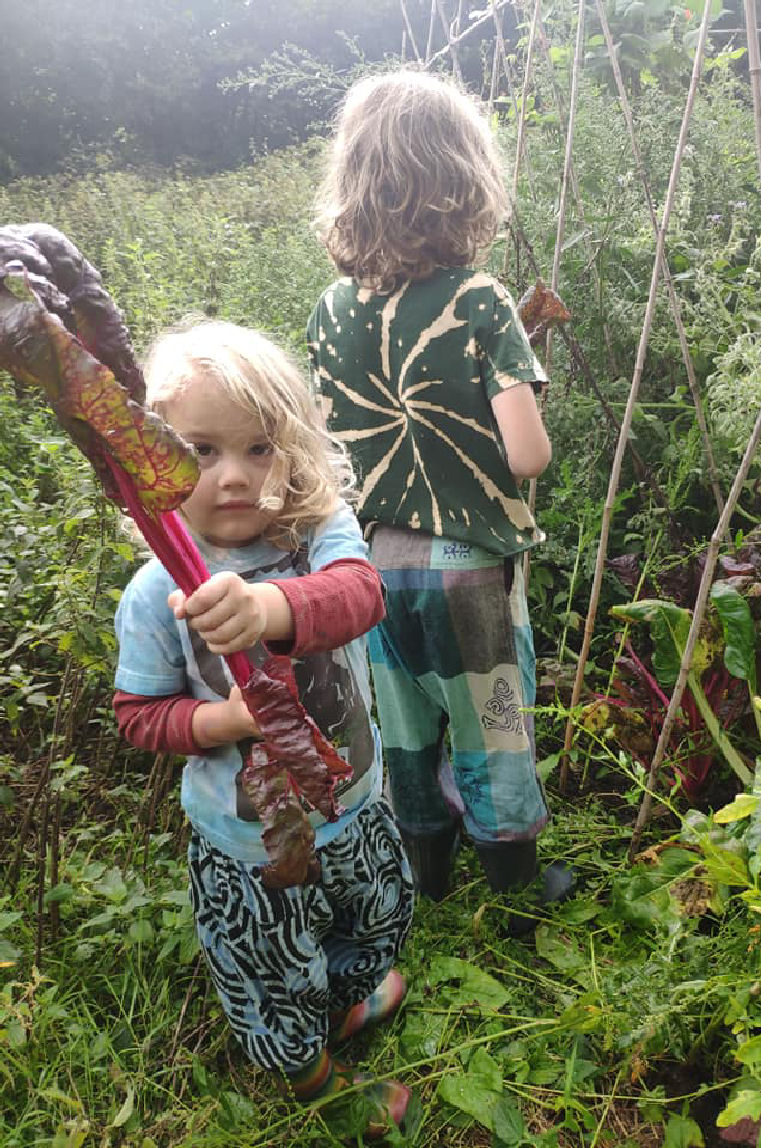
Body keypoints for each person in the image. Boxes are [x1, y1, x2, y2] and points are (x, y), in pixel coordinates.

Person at [112, 319, 414, 1135]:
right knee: (274, 967)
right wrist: (228, 718)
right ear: (150, 460)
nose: (235, 475)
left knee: (374, 917)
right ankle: (314, 1078)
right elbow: (140, 716)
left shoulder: (317, 533)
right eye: (202, 451)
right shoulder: (156, 592)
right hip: (250, 846)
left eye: (258, 447)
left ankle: (346, 1005)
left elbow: (360, 594)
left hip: (355, 803)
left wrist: (267, 607)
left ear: (297, 446)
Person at [308, 70, 567, 916]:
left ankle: (428, 874)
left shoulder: (329, 311)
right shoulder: (478, 299)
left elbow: (335, 447)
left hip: (376, 564)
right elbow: (526, 455)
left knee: (406, 728)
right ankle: (515, 886)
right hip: (469, 567)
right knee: (494, 724)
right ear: (464, 179)